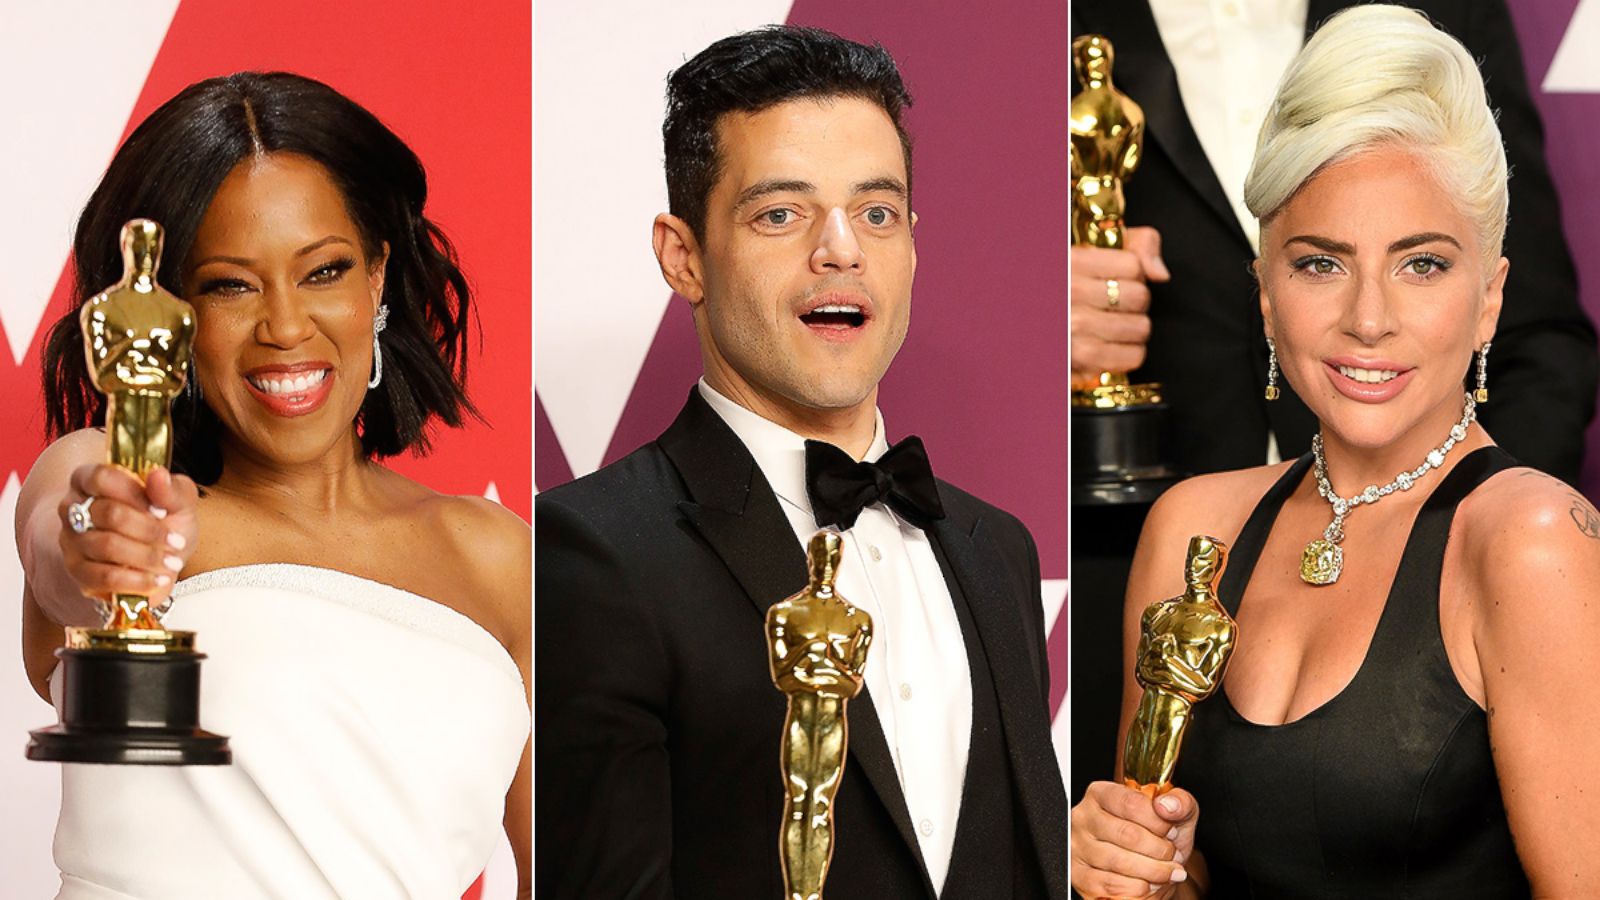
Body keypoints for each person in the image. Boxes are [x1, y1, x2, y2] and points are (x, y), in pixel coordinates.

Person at [1069, 7, 1600, 897]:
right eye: (1320, 263)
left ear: (1491, 299)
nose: (1368, 317)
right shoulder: (1190, 531)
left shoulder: (1532, 541)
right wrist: (1133, 867)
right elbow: (1182, 874)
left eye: (1421, 264)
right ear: (1266, 295)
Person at [535, 26, 1068, 899]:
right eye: (780, 214)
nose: (841, 251)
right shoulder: (592, 554)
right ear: (683, 256)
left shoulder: (995, 549)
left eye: (876, 212)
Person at [15, 72, 531, 899]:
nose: (286, 327)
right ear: (172, 311)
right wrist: (90, 539)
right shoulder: (122, 483)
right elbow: (60, 542)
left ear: (375, 279)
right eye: (230, 285)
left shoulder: (501, 558)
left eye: (323, 271)